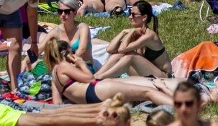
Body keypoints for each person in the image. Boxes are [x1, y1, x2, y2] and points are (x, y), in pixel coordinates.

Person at [44, 39, 173, 106]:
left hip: (90, 99)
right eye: (71, 51)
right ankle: (179, 107)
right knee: (149, 92)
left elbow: (57, 102)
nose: (73, 53)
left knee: (140, 95)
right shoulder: (64, 66)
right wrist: (81, 64)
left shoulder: (54, 75)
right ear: (63, 53)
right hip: (96, 89)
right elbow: (90, 78)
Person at [95, 0, 171, 79]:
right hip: (147, 73)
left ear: (144, 17)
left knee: (130, 56)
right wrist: (123, 32)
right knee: (117, 56)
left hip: (163, 76)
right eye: (130, 13)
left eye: (133, 14)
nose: (130, 17)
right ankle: (95, 76)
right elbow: (110, 49)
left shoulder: (149, 36)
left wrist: (132, 31)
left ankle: (100, 78)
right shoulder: (137, 34)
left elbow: (122, 49)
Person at [39, 0, 93, 70]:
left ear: (75, 13)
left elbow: (81, 50)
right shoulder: (56, 31)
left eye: (67, 11)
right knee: (36, 65)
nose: (63, 14)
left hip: (84, 67)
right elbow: (40, 48)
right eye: (60, 11)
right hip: (64, 68)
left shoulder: (82, 28)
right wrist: (26, 60)